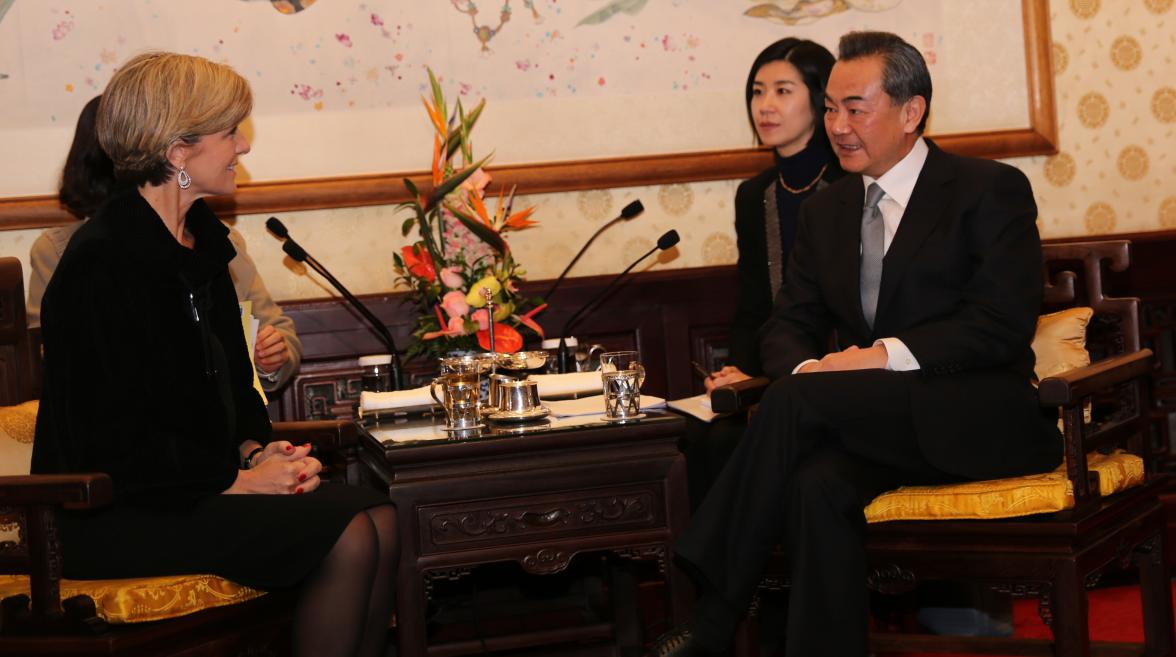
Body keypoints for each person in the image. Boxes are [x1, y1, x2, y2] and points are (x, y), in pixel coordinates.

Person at [648, 31, 1062, 657]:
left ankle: (716, 609)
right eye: (832, 108)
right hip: (875, 422)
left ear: (911, 111)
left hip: (977, 413)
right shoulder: (830, 210)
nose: (837, 126)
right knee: (816, 484)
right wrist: (816, 367)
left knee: (790, 404)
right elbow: (788, 323)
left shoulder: (988, 190)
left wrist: (880, 356)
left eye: (854, 108)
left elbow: (999, 325)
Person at [31, 53, 397, 657]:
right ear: (177, 151)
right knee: (351, 533)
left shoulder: (204, 242)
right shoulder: (102, 261)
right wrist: (238, 481)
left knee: (382, 517)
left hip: (193, 490)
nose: (243, 147)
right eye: (230, 132)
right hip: (114, 510)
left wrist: (258, 447)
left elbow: (226, 386)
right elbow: (114, 437)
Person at [27, 95, 302, 391]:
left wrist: (270, 360)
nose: (243, 146)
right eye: (229, 133)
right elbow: (47, 361)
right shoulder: (68, 251)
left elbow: (278, 333)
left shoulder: (217, 242)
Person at [683, 38, 842, 507]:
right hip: (774, 373)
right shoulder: (755, 194)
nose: (765, 106)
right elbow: (754, 305)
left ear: (820, 100)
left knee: (740, 445)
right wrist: (740, 373)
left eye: (782, 91)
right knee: (697, 437)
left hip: (838, 368)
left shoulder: (851, 183)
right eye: (757, 91)